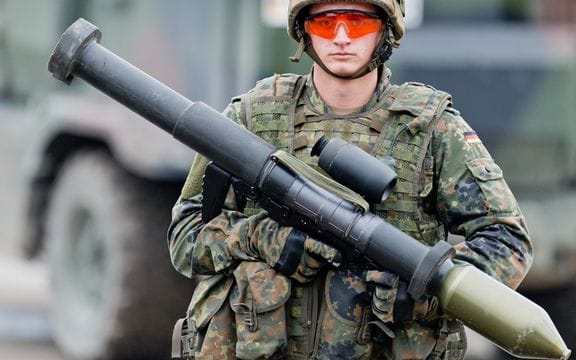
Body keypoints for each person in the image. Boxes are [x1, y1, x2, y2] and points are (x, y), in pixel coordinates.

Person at [168, 0, 533, 359]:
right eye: (326, 23)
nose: (341, 38)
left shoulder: (431, 128)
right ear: (304, 30)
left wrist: (424, 293)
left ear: (385, 29)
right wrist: (263, 237)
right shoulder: (252, 116)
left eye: (358, 23)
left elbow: (508, 241)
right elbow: (185, 239)